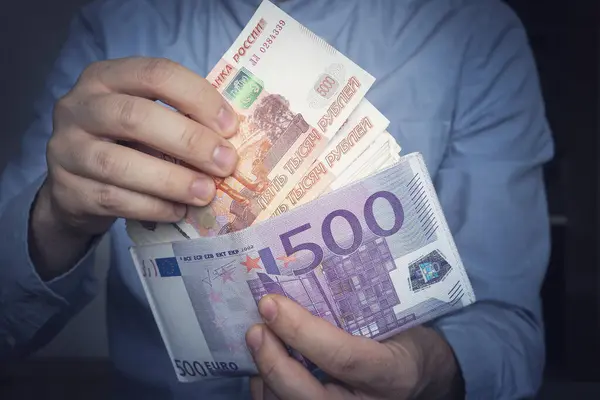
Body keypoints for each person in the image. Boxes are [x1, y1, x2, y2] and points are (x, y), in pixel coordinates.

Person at [0, 0, 554, 399]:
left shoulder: (472, 30)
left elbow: (511, 331)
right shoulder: (116, 21)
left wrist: (431, 372)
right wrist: (56, 215)